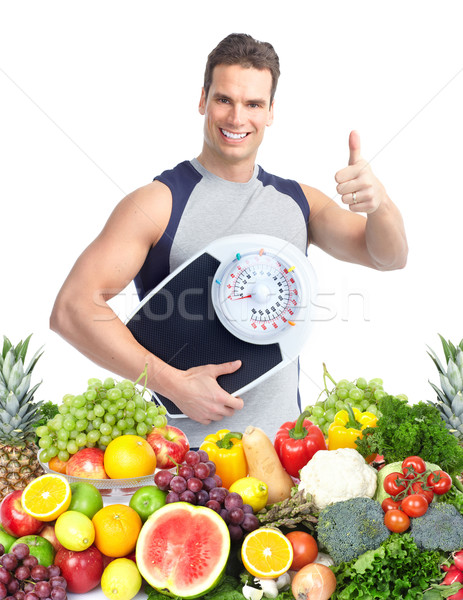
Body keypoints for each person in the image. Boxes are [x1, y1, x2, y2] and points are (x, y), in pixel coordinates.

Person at [50, 33, 408, 447]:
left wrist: (380, 204)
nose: (238, 118)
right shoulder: (158, 203)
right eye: (225, 100)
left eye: (253, 104)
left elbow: (388, 257)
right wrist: (173, 384)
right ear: (202, 100)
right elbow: (72, 309)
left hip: (284, 457)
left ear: (271, 111)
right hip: (183, 463)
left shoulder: (299, 202)